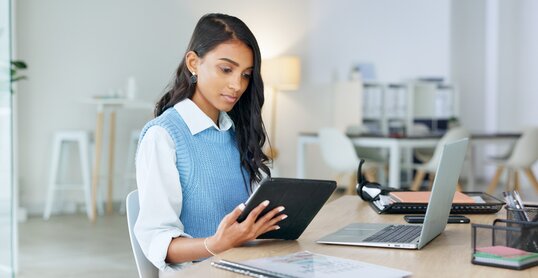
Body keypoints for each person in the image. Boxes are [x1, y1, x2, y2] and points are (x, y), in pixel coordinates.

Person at [134, 13, 286, 273]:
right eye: (226, 69)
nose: (237, 85)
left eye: (246, 75)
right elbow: (158, 244)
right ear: (193, 63)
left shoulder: (234, 132)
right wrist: (216, 243)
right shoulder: (164, 136)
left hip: (242, 267)